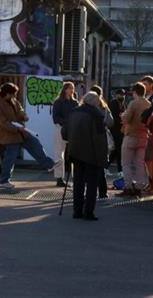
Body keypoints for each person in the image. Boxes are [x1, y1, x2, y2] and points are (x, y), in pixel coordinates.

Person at [0, 82, 54, 191]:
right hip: (10, 135)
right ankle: (3, 181)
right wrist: (17, 128)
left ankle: (49, 165)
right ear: (7, 93)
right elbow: (3, 123)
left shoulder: (12, 100)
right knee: (10, 159)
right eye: (13, 94)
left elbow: (19, 109)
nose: (14, 96)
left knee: (35, 144)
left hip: (21, 132)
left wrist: (23, 115)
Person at [64, 92, 108, 221]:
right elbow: (100, 140)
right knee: (92, 185)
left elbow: (64, 133)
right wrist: (103, 158)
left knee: (78, 183)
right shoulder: (96, 115)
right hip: (91, 154)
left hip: (75, 152)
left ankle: (77, 211)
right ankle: (88, 212)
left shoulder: (73, 112)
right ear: (96, 102)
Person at [119, 82, 151, 196]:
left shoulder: (133, 103)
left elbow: (126, 119)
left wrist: (122, 116)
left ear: (134, 92)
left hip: (131, 135)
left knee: (126, 163)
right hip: (143, 136)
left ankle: (128, 187)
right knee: (139, 163)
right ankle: (139, 186)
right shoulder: (148, 103)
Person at [89, 85, 115, 199]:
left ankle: (91, 192)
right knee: (100, 166)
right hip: (102, 138)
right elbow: (111, 122)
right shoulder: (104, 107)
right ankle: (102, 192)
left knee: (89, 166)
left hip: (89, 138)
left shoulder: (88, 106)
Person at [52, 81, 79, 187]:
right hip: (61, 128)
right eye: (70, 88)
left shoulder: (75, 103)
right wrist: (67, 122)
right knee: (59, 154)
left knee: (75, 154)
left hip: (73, 130)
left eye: (73, 88)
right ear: (65, 89)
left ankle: (75, 177)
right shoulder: (58, 102)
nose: (72, 90)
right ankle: (59, 178)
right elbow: (55, 118)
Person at [108, 89, 126, 174]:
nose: (122, 96)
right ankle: (120, 169)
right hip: (114, 129)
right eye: (120, 95)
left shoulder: (123, 104)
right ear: (116, 95)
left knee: (117, 149)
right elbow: (113, 116)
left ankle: (106, 166)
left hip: (121, 130)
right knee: (118, 149)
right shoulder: (113, 103)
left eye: (123, 95)